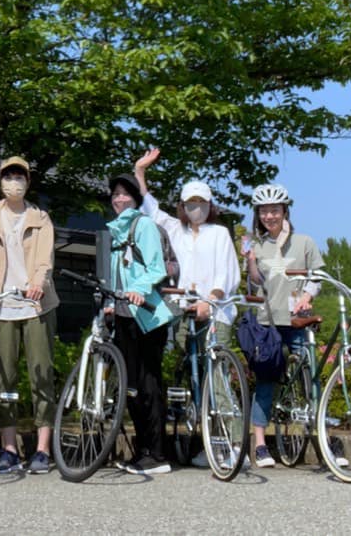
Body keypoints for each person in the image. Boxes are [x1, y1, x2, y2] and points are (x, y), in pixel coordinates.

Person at [133, 147, 239, 468]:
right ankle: (200, 442)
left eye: (201, 204)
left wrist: (213, 300)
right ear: (182, 206)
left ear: (210, 206)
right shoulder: (174, 229)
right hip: (181, 311)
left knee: (216, 377)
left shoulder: (220, 233)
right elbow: (149, 206)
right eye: (190, 203)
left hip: (215, 312)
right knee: (188, 376)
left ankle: (231, 446)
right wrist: (140, 171)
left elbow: (227, 274)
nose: (196, 209)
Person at [0, 155, 58, 476]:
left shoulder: (40, 217)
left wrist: (38, 282)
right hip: (1, 305)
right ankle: (8, 448)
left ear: (28, 182)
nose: (13, 182)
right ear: (1, 181)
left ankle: (43, 449)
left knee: (41, 374)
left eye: (20, 176)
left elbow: (45, 261)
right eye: (8, 176)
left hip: (36, 305)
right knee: (4, 380)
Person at [242, 181, 322, 469]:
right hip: (268, 321)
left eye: (275, 210)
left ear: (285, 210)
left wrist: (307, 294)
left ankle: (320, 439)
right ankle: (261, 444)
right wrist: (251, 261)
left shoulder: (305, 243)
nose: (270, 216)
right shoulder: (257, 244)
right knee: (267, 379)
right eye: (264, 211)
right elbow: (255, 282)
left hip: (298, 319)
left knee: (311, 376)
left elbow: (318, 276)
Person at [105, 173, 174, 475]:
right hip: (122, 315)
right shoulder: (115, 231)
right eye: (115, 194)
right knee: (130, 387)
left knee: (148, 385)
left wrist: (139, 289)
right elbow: (116, 274)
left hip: (146, 315)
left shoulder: (143, 225)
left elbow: (156, 268)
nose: (119, 199)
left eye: (125, 194)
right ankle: (142, 451)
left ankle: (158, 454)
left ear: (135, 198)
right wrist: (111, 301)